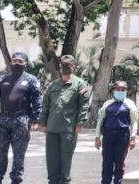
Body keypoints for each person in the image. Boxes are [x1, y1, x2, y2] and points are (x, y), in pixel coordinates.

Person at [0, 52, 43, 184]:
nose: (17, 63)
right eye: (15, 61)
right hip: (3, 121)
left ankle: (16, 180)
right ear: (11, 63)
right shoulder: (2, 80)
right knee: (0, 155)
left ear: (25, 64)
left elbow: (37, 102)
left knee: (18, 156)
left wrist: (35, 120)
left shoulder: (32, 80)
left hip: (21, 121)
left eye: (20, 61)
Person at [37, 55, 90, 184]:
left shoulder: (79, 84)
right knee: (52, 160)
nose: (65, 67)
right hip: (52, 128)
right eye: (63, 65)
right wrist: (42, 123)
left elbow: (84, 104)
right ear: (60, 66)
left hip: (68, 129)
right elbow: (45, 105)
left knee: (65, 161)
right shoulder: (53, 85)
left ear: (73, 67)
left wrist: (81, 122)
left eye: (68, 65)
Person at [95, 81, 138, 184]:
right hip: (108, 135)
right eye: (118, 89)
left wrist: (133, 138)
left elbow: (134, 122)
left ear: (126, 91)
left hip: (122, 136)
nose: (120, 91)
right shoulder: (107, 104)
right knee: (107, 163)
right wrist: (97, 137)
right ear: (113, 91)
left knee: (119, 163)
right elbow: (100, 121)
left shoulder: (130, 104)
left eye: (123, 89)